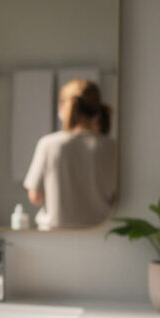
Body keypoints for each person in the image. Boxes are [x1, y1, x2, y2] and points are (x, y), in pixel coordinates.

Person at [23, 79, 117, 230]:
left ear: (63, 107)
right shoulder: (112, 147)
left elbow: (36, 197)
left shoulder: (49, 144)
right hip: (99, 234)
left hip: (56, 234)